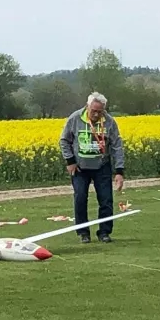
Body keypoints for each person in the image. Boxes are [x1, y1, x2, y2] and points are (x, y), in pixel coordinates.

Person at [59, 92, 125, 243]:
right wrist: (70, 161)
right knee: (80, 198)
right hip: (80, 168)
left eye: (99, 111)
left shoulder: (109, 122)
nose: (96, 114)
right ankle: (83, 233)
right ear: (87, 106)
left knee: (106, 200)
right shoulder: (75, 118)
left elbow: (117, 146)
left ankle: (104, 232)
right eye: (93, 110)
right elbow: (64, 141)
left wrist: (119, 171)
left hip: (102, 166)